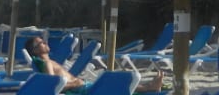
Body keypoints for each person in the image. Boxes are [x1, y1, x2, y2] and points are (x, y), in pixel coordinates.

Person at [24, 36, 165, 93]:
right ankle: (149, 87)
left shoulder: (48, 62)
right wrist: (74, 84)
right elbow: (53, 86)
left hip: (82, 86)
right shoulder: (47, 63)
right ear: (35, 50)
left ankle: (148, 87)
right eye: (41, 43)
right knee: (113, 87)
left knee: (111, 86)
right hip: (81, 90)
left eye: (43, 40)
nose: (45, 43)